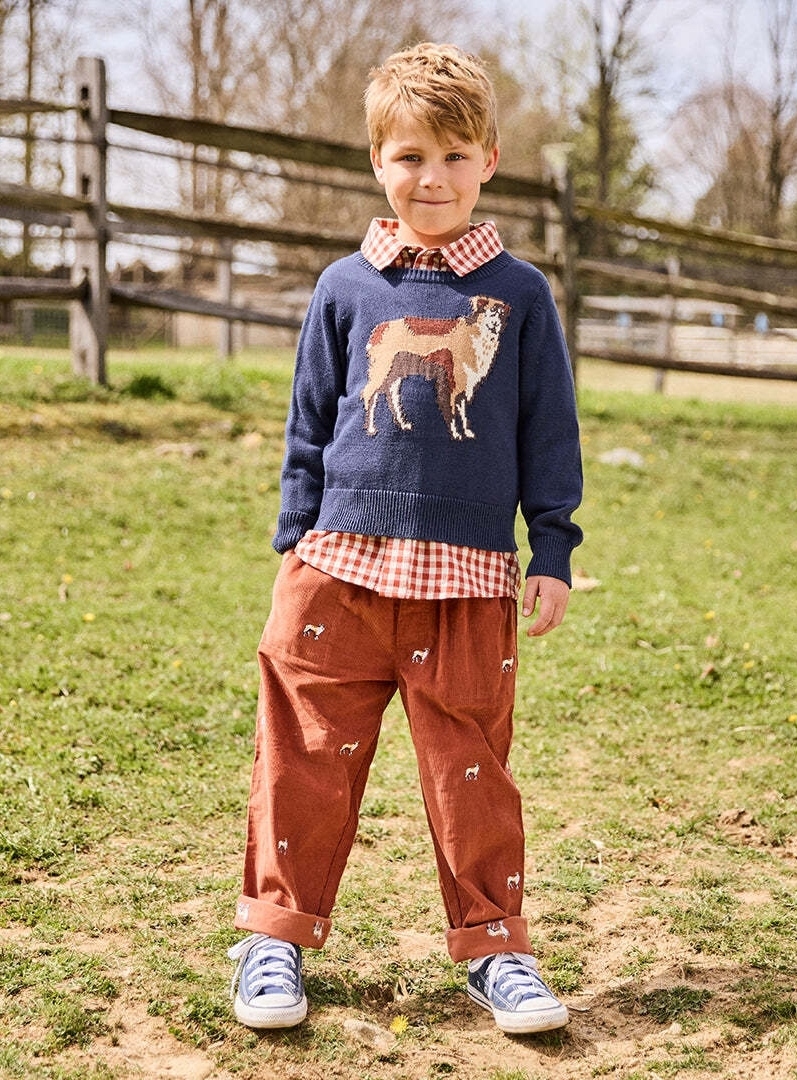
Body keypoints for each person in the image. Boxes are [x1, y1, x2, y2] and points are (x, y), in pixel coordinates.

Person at [228, 41, 583, 1037]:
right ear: (377, 160)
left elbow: (547, 433)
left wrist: (550, 551)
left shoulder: (519, 298)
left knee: (472, 769)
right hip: (336, 569)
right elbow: (309, 419)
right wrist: (292, 542)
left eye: (455, 156)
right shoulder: (347, 287)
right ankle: (275, 938)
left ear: (491, 159)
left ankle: (496, 948)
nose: (433, 178)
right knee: (303, 758)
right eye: (411, 155)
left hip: (465, 578)